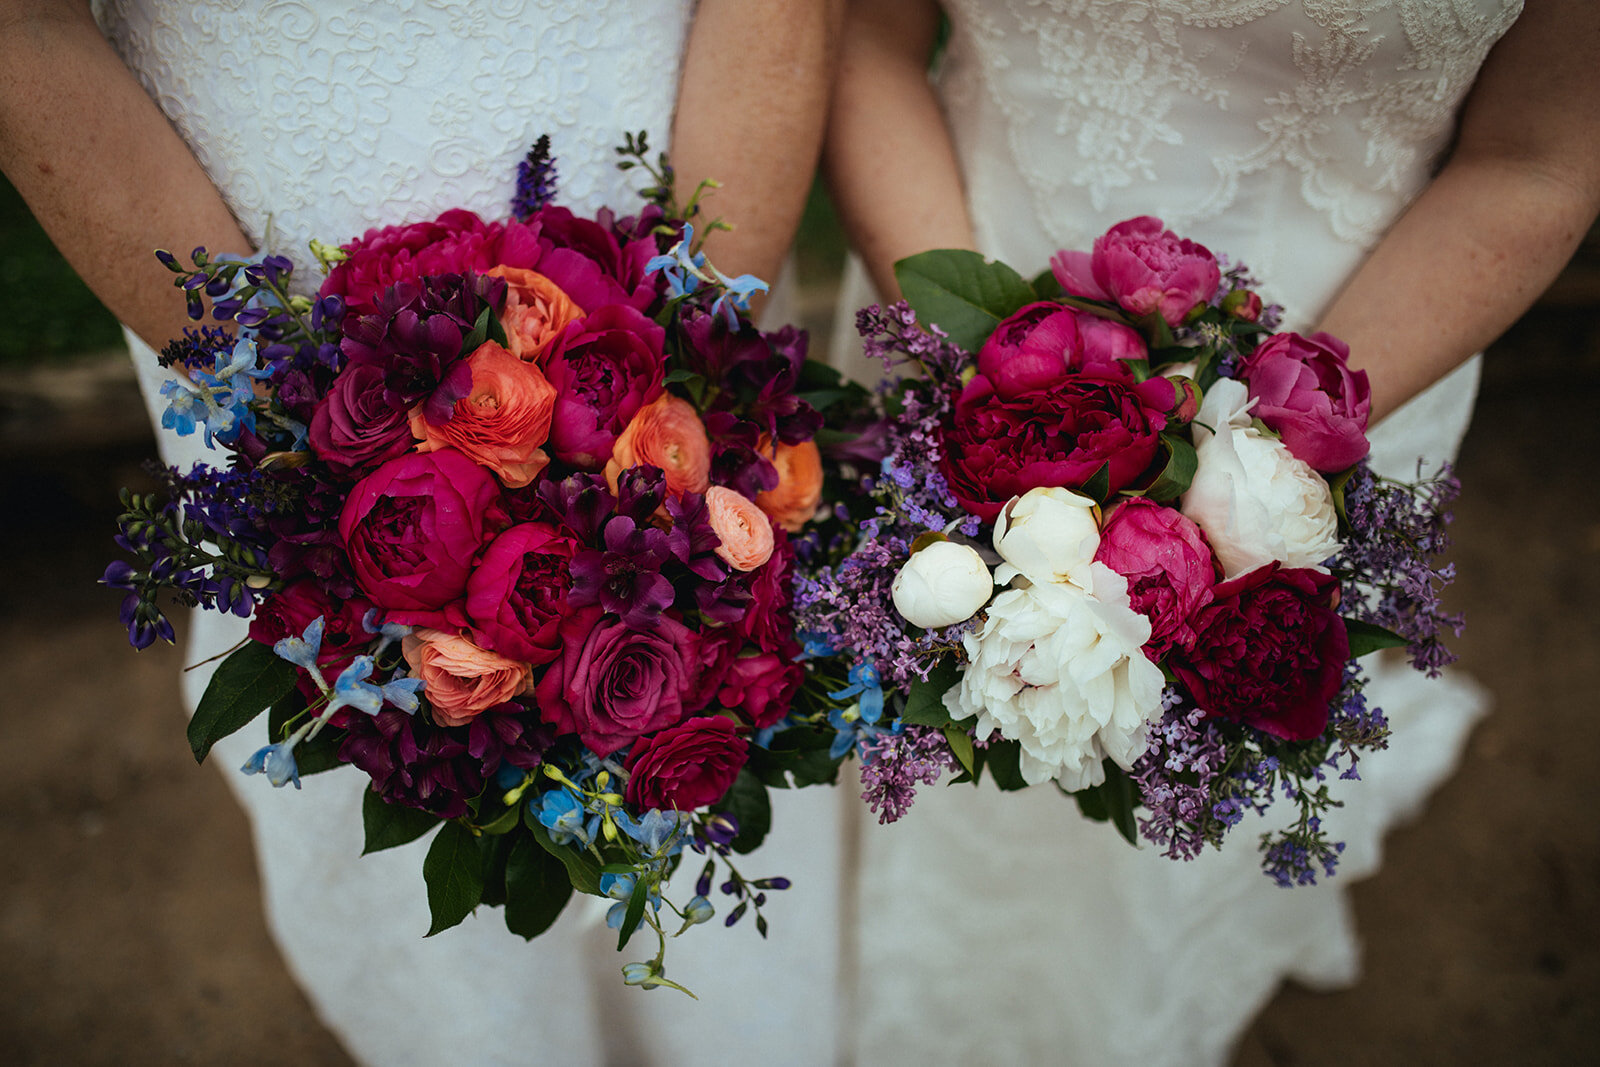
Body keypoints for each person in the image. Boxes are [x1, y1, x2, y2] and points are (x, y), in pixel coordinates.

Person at [0, 2, 845, 1064]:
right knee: (424, 905)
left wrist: (686, 374)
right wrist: (296, 409)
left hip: (672, 186)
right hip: (243, 270)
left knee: (712, 824)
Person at [821, 0, 1599, 1063]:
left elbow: (1536, 160)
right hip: (958, 302)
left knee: (1160, 782)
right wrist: (988, 392)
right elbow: (868, 37)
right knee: (919, 705)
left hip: (1359, 359)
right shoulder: (962, 359)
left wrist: (1264, 458)